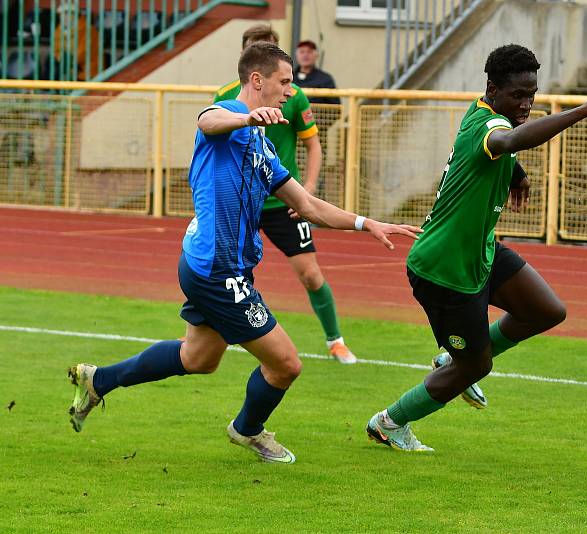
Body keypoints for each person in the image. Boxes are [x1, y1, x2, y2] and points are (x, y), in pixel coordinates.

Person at [68, 42, 421, 464]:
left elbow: (307, 206)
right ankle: (247, 430)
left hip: (208, 262)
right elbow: (208, 119)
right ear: (258, 80)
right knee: (286, 364)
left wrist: (368, 223)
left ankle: (98, 380)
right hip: (218, 269)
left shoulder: (261, 144)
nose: (291, 91)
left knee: (197, 358)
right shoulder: (228, 120)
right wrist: (246, 116)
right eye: (285, 82)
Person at [365, 44, 587, 452]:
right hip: (444, 269)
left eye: (532, 94)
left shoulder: (487, 114)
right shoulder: (488, 126)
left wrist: (517, 176)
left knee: (545, 311)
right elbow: (506, 141)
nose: (526, 104)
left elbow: (500, 149)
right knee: (477, 365)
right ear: (492, 88)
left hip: (480, 252)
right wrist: (581, 111)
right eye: (518, 96)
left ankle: (450, 361)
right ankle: (389, 422)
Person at [215, 25, 356, 363]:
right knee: (218, 269)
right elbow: (211, 135)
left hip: (283, 200)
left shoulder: (293, 96)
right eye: (258, 47)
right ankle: (200, 336)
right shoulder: (225, 97)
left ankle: (335, 340)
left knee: (310, 273)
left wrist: (306, 189)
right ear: (247, 59)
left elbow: (313, 144)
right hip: (241, 203)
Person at [292, 40, 340, 105]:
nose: (305, 55)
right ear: (296, 55)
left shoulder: (325, 79)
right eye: (302, 52)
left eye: (309, 52)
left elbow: (335, 106)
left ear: (316, 55)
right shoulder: (289, 77)